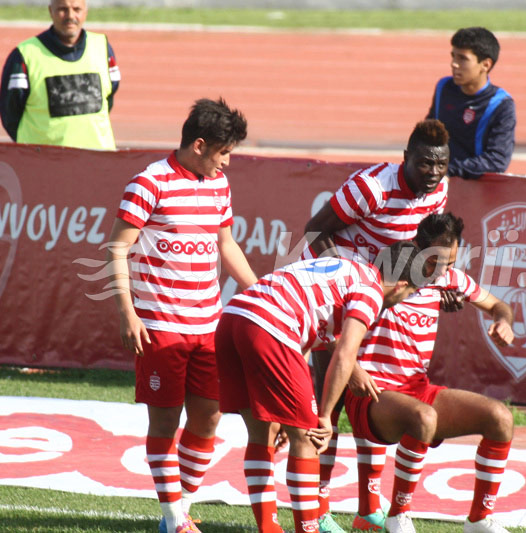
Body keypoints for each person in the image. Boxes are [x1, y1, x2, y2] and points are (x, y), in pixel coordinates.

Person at [107, 98, 257, 533]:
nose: (227, 163)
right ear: (198, 144)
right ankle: (174, 518)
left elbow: (226, 245)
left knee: (210, 415)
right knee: (166, 420)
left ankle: (179, 509)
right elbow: (118, 247)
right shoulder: (149, 182)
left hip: (208, 325)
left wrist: (263, 292)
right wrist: (127, 314)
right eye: (223, 152)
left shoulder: (219, 186)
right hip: (159, 330)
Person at [302, 119, 450, 533]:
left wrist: (438, 282)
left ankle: (369, 510)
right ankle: (317, 510)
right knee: (323, 403)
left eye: (440, 165)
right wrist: (353, 280)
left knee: (376, 399)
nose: (433, 173)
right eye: (424, 164)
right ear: (406, 158)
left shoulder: (439, 187)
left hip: (382, 299)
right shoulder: (371, 187)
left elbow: (425, 247)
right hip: (339, 296)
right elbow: (314, 231)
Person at [215, 241, 424, 533]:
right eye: (410, 293)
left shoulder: (349, 269)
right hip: (270, 326)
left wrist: (350, 372)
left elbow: (312, 323)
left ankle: (269, 528)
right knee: (310, 438)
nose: (402, 300)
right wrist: (324, 416)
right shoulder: (371, 291)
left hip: (234, 317)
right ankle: (308, 529)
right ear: (401, 285)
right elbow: (345, 353)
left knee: (262, 434)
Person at [344, 212, 515, 533]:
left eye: (450, 263)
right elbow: (334, 329)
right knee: (424, 418)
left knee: (501, 418)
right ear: (416, 249)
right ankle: (398, 515)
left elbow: (499, 305)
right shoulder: (385, 275)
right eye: (436, 261)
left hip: (416, 388)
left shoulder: (451, 281)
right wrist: (352, 370)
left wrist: (504, 321)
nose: (443, 271)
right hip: (370, 392)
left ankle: (479, 521)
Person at [0, 0, 120, 150]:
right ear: (51, 11)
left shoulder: (102, 47)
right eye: (63, 9)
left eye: (77, 9)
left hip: (99, 162)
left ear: (85, 11)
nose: (70, 16)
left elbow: (108, 97)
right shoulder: (25, 55)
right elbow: (10, 113)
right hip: (45, 164)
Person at [426, 27, 515, 180]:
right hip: (438, 181)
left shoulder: (501, 104)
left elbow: (497, 160)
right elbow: (429, 133)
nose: (454, 64)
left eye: (462, 58)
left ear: (485, 65)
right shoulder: (444, 87)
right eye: (453, 56)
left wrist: (449, 171)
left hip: (477, 189)